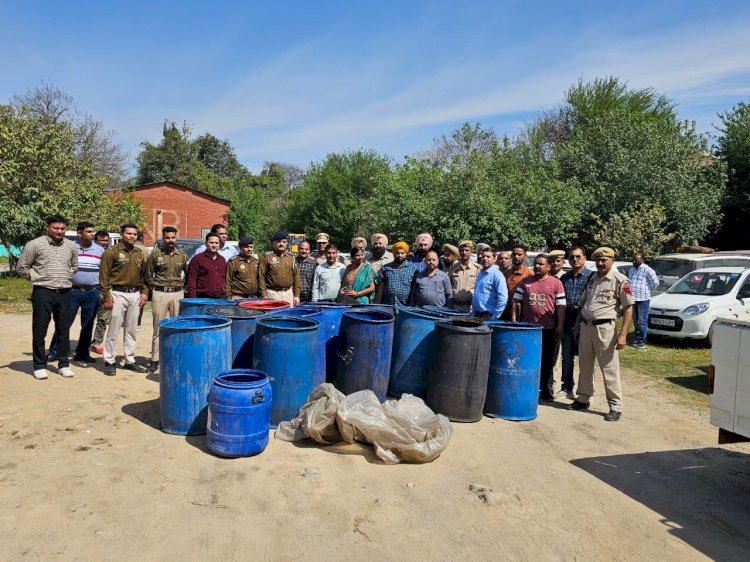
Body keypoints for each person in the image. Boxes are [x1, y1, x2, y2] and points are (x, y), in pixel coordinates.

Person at [568, 247, 634, 422]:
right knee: (585, 365)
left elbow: (628, 309)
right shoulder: (592, 278)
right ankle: (583, 398)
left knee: (609, 368)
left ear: (612, 260)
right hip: (586, 327)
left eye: (604, 259)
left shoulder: (620, 280)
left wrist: (623, 335)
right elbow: (583, 305)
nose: (600, 263)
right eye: (597, 260)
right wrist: (577, 327)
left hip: (605, 329)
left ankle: (615, 406)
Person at [16, 215, 78, 379]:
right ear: (47, 227)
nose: (59, 231)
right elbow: (21, 267)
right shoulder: (35, 245)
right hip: (43, 292)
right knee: (40, 330)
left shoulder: (71, 246)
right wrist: (37, 278)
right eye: (56, 228)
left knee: (63, 330)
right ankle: (39, 365)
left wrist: (66, 276)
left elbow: (75, 266)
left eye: (62, 228)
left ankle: (63, 363)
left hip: (64, 292)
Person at [47, 221, 104, 366]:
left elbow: (104, 272)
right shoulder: (69, 248)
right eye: (89, 232)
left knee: (88, 324)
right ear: (80, 233)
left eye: (93, 231)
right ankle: (55, 351)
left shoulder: (100, 250)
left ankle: (82, 354)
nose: (92, 234)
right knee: (64, 322)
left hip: (92, 292)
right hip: (72, 291)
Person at [512, 255, 566, 401]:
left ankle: (546, 391)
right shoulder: (526, 282)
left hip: (548, 328)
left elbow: (561, 307)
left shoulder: (556, 283)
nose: (536, 266)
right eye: (535, 264)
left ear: (548, 267)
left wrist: (560, 326)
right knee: (527, 358)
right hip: (528, 329)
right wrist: (514, 322)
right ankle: (528, 387)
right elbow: (516, 302)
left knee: (547, 361)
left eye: (540, 264)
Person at [99, 223, 149, 376]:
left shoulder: (139, 253)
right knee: (113, 329)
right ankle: (110, 360)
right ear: (122, 234)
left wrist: (145, 292)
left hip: (134, 294)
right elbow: (104, 276)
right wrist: (107, 296)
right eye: (129, 234)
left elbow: (144, 276)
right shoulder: (111, 252)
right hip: (117, 294)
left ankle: (129, 360)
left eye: (134, 234)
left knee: (132, 329)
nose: (132, 236)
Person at [146, 226, 188, 373]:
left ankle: (174, 356)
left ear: (176, 238)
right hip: (160, 293)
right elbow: (148, 275)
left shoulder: (182, 255)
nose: (170, 240)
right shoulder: (155, 255)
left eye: (173, 237)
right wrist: (154, 289)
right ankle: (154, 360)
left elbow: (187, 275)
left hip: (177, 294)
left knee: (177, 328)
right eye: (167, 238)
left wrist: (183, 289)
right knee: (158, 327)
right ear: (163, 238)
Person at [559, 246, 593, 399]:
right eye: (572, 257)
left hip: (585, 320)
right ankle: (567, 386)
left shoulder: (592, 277)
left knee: (586, 357)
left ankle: (586, 390)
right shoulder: (564, 278)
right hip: (567, 319)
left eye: (578, 256)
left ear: (584, 258)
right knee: (567, 356)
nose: (575, 260)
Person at [259, 230, 300, 306]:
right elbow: (261, 276)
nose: (281, 244)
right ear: (273, 243)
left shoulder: (291, 257)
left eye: (284, 242)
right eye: (278, 242)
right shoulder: (267, 257)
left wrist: (297, 295)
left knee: (288, 316)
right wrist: (264, 294)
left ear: (287, 243)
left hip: (288, 294)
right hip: (272, 293)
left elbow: (296, 277)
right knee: (274, 316)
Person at [628, 252, 659, 349]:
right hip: (633, 299)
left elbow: (656, 282)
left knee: (642, 321)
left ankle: (642, 340)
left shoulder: (648, 270)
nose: (634, 261)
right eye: (633, 259)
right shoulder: (631, 270)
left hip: (643, 299)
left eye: (636, 259)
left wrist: (647, 290)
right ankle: (637, 338)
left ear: (642, 260)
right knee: (635, 320)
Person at [471, 247, 508, 320]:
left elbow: (503, 298)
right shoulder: (480, 274)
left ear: (494, 259)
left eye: (488, 257)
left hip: (488, 316)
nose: (485, 259)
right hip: (477, 315)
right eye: (483, 256)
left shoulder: (497, 275)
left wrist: (494, 317)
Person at [186, 232, 227, 299]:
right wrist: (192, 298)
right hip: (203, 298)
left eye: (216, 243)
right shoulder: (197, 259)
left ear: (219, 244)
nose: (214, 245)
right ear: (206, 243)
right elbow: (191, 280)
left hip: (221, 298)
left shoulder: (222, 260)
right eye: (211, 242)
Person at [376, 241, 417, 306]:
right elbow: (381, 286)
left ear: (406, 254)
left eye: (402, 253)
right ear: (394, 254)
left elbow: (414, 289)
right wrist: (378, 304)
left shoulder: (413, 269)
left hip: (405, 306)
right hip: (388, 305)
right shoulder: (386, 268)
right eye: (397, 253)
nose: (400, 255)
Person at [90, 230, 111, 355]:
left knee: (103, 318)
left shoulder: (111, 253)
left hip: (106, 291)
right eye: (101, 240)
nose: (104, 243)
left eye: (106, 240)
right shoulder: (93, 253)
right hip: (92, 289)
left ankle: (96, 343)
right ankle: (83, 343)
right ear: (95, 240)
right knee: (88, 318)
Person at [501, 244, 534, 320]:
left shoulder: (530, 274)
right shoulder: (506, 273)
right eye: (514, 254)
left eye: (519, 254)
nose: (516, 257)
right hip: (505, 313)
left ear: (525, 256)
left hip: (522, 316)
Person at [449, 240, 481, 311]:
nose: (464, 253)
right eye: (462, 250)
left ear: (471, 252)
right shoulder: (453, 268)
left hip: (470, 308)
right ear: (459, 252)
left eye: (467, 250)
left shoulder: (477, 268)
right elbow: (449, 285)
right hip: (455, 307)